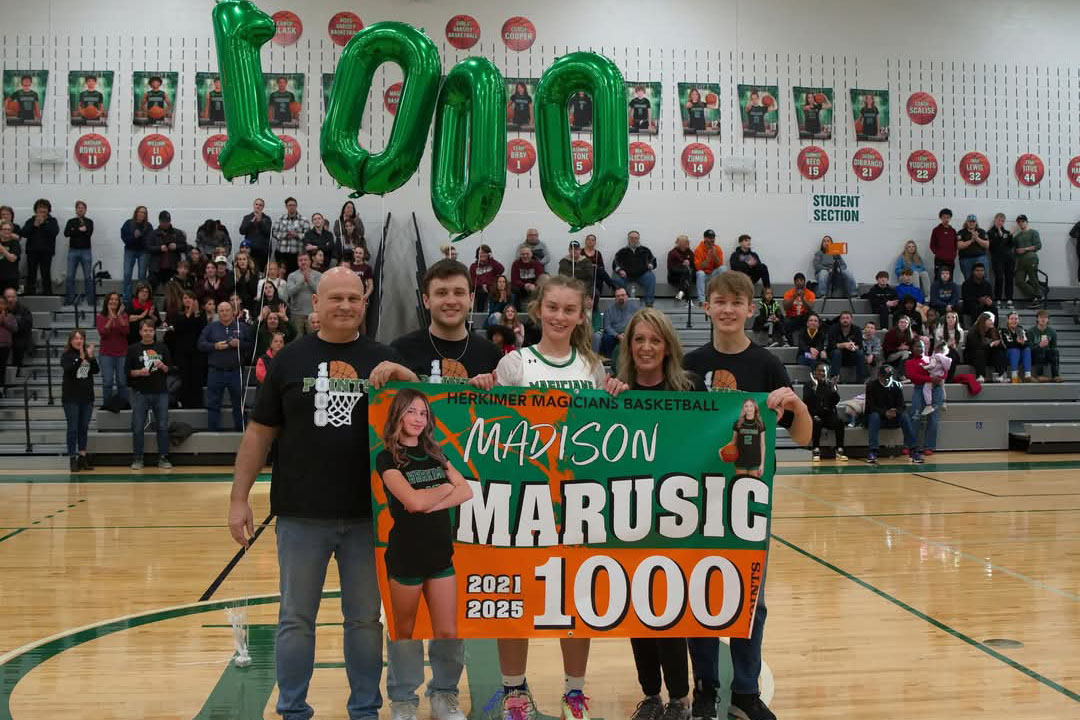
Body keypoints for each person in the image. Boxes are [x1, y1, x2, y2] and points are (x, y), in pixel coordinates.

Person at [229, 266, 417, 720]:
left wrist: (403, 372)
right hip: (300, 515)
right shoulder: (289, 360)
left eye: (354, 298)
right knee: (295, 618)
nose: (346, 306)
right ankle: (293, 709)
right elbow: (258, 434)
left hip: (367, 517)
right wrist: (239, 499)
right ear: (316, 303)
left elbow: (424, 411)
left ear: (364, 303)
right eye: (336, 298)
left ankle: (365, 709)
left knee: (365, 621)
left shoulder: (383, 358)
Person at [489, 274, 628, 720]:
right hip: (524, 499)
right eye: (553, 307)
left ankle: (574, 692)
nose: (560, 316)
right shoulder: (515, 365)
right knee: (516, 600)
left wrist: (615, 395)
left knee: (574, 598)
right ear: (537, 310)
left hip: (578, 501)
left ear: (582, 314)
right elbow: (496, 431)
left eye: (570, 309)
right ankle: (514, 691)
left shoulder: (592, 368)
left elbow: (605, 432)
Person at [682, 270, 810, 720]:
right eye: (720, 301)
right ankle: (704, 688)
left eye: (737, 302)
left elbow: (805, 435)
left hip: (750, 499)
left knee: (750, 596)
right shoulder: (690, 365)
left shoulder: (768, 365)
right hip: (695, 498)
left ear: (751, 309)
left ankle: (744, 691)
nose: (728, 309)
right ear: (707, 307)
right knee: (699, 593)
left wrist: (796, 405)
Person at [614, 307, 695, 720]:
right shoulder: (613, 391)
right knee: (635, 610)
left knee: (668, 609)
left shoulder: (689, 393)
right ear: (629, 346)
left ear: (667, 347)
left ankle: (680, 696)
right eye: (639, 340)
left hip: (675, 519)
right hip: (625, 516)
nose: (646, 347)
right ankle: (650, 694)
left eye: (654, 340)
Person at [377, 390, 471, 633]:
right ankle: (403, 672)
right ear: (398, 414)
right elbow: (414, 503)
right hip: (407, 556)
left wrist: (429, 502)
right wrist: (445, 487)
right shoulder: (387, 458)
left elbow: (467, 492)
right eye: (411, 412)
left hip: (440, 555)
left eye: (423, 413)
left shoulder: (436, 454)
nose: (418, 419)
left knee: (448, 633)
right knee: (405, 631)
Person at [198, 301, 253, 431]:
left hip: (236, 372)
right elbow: (200, 344)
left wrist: (240, 344)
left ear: (233, 312)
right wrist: (214, 346)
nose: (224, 313)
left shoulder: (242, 327)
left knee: (239, 404)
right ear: (218, 313)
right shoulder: (211, 327)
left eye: (227, 310)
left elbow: (251, 345)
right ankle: (213, 434)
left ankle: (241, 432)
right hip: (215, 372)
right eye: (221, 310)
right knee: (213, 405)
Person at [126, 318, 172, 469]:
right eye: (145, 330)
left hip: (161, 392)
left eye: (150, 330)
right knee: (138, 426)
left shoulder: (162, 347)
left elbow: (170, 370)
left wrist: (163, 366)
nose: (147, 333)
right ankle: (138, 458)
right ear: (140, 332)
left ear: (154, 332)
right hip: (140, 393)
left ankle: (163, 457)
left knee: (163, 426)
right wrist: (139, 372)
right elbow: (127, 373)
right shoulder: (132, 349)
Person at [863, 364, 920, 464]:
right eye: (884, 376)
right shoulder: (871, 386)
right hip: (878, 417)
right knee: (874, 416)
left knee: (904, 416)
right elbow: (870, 407)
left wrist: (896, 411)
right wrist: (885, 413)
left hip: (893, 416)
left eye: (889, 376)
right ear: (879, 375)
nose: (887, 379)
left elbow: (902, 406)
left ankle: (914, 450)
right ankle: (872, 451)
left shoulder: (896, 386)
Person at [60, 329, 98, 471]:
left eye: (81, 338)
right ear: (71, 341)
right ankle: (72, 458)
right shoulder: (67, 356)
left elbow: (95, 370)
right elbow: (69, 370)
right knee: (73, 428)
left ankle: (83, 456)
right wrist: (81, 359)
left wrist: (91, 357)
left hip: (87, 398)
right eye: (76, 338)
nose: (79, 341)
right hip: (71, 398)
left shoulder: (87, 355)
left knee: (83, 428)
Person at [168, 290, 207, 409]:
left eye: (190, 297)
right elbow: (180, 328)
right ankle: (184, 402)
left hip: (196, 352)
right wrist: (189, 313)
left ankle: (196, 403)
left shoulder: (201, 315)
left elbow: (200, 329)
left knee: (196, 378)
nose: (187, 300)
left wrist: (193, 314)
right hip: (182, 352)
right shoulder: (177, 314)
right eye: (185, 298)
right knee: (184, 378)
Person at [905, 339, 943, 455]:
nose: (920, 349)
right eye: (917, 347)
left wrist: (938, 378)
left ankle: (929, 446)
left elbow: (942, 372)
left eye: (922, 347)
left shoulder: (931, 359)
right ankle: (910, 444)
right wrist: (931, 379)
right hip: (919, 389)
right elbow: (913, 377)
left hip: (935, 390)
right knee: (915, 416)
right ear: (912, 349)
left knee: (933, 418)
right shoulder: (909, 363)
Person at [804, 363, 846, 461]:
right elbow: (807, 401)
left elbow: (836, 401)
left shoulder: (830, 384)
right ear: (815, 372)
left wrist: (833, 389)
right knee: (817, 421)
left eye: (824, 371)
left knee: (840, 422)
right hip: (814, 414)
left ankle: (840, 449)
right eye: (820, 371)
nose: (822, 373)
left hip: (828, 415)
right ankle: (816, 449)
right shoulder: (808, 385)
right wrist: (814, 388)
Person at [96, 292, 130, 406]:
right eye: (111, 299)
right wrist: (111, 319)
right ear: (107, 302)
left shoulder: (124, 316)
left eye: (116, 299)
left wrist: (118, 316)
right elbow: (103, 333)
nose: (114, 301)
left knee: (122, 382)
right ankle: (107, 406)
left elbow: (126, 331)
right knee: (108, 382)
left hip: (122, 354)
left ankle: (124, 405)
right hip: (106, 354)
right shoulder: (101, 317)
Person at [21, 198, 59, 296]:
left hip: (46, 252)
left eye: (44, 208)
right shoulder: (31, 220)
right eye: (40, 208)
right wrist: (34, 225)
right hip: (32, 251)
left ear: (48, 210)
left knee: (45, 273)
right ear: (36, 210)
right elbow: (24, 233)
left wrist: (43, 224)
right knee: (31, 273)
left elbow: (54, 232)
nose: (42, 210)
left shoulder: (52, 220)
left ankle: (47, 294)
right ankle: (30, 293)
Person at [612, 230, 658, 307]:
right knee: (616, 278)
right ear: (628, 239)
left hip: (642, 274)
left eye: (636, 238)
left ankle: (649, 303)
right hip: (626, 275)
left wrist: (651, 265)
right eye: (631, 238)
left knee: (651, 277)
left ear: (638, 239)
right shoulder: (622, 251)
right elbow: (615, 263)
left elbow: (653, 260)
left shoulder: (645, 250)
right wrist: (620, 270)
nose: (634, 240)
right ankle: (625, 300)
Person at [63, 200, 94, 305]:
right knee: (70, 276)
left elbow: (88, 233)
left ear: (85, 210)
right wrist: (80, 230)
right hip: (73, 251)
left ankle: (90, 300)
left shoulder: (89, 222)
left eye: (82, 208)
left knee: (88, 277)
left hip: (86, 251)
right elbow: (66, 233)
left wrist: (74, 231)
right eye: (78, 208)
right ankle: (69, 300)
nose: (80, 209)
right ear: (76, 210)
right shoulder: (71, 221)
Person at [147, 210, 188, 287]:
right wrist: (159, 248)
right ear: (159, 221)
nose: (165, 223)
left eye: (167, 221)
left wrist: (176, 247)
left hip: (172, 268)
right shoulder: (153, 233)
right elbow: (148, 248)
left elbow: (185, 246)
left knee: (172, 290)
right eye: (163, 221)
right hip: (156, 269)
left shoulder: (178, 233)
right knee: (151, 288)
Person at [121, 206, 152, 302]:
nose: (142, 214)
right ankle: (126, 299)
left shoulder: (148, 226)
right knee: (127, 274)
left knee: (142, 275)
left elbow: (149, 240)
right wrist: (134, 237)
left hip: (143, 251)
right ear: (136, 213)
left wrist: (140, 237)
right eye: (140, 212)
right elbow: (124, 238)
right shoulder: (128, 223)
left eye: (144, 213)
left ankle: (141, 298)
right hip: (130, 250)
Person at [273, 197, 311, 275]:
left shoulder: (304, 220)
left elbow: (308, 235)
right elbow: (274, 232)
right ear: (286, 207)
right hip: (281, 253)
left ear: (296, 206)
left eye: (293, 205)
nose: (291, 207)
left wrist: (297, 235)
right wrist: (284, 235)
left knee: (296, 275)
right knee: (282, 275)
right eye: (289, 205)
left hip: (297, 254)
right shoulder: (280, 219)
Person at [965, 312, 1006, 383]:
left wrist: (998, 344)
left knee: (999, 352)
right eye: (989, 320)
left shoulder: (993, 330)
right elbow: (975, 346)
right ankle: (980, 376)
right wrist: (990, 344)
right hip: (973, 355)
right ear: (983, 321)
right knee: (980, 352)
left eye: (992, 320)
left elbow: (1002, 346)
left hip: (988, 355)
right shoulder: (973, 331)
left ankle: (1000, 375)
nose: (992, 322)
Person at [286, 253, 322, 336]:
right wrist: (301, 281)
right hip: (297, 314)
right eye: (300, 260)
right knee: (297, 340)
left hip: (313, 313)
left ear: (310, 261)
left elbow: (320, 292)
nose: (303, 262)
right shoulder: (292, 276)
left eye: (305, 260)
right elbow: (290, 292)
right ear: (297, 262)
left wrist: (309, 280)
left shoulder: (318, 275)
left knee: (313, 339)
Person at [827, 310, 867, 382]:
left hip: (850, 355)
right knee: (837, 352)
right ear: (840, 320)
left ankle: (860, 380)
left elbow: (860, 346)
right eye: (843, 318)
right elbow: (831, 345)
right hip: (836, 356)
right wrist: (844, 345)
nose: (845, 320)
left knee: (860, 353)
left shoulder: (856, 329)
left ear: (851, 319)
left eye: (847, 318)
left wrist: (853, 347)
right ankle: (834, 378)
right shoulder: (833, 328)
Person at [1011, 215, 1043, 306]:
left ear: (1026, 222)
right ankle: (1038, 296)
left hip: (1031, 258)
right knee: (1019, 280)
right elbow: (1012, 246)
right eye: (1019, 222)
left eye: (1023, 221)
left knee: (1033, 279)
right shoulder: (1017, 236)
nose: (1021, 223)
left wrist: (1025, 249)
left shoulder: (1033, 232)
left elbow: (1038, 245)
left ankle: (1036, 299)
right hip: (1020, 261)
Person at [601, 287, 639, 358]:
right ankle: (609, 359)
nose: (621, 297)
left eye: (622, 295)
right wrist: (617, 335)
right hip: (614, 335)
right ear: (615, 298)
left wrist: (627, 333)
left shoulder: (634, 308)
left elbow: (637, 323)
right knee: (606, 338)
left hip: (628, 333)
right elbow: (607, 326)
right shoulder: (609, 310)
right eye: (618, 296)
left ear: (627, 296)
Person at [987, 212, 1014, 308]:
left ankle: (1009, 299)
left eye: (1002, 221)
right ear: (995, 220)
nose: (1000, 222)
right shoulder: (990, 232)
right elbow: (991, 246)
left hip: (1008, 259)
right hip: (997, 259)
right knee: (999, 278)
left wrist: (1010, 236)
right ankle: (998, 299)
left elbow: (1010, 245)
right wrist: (1000, 235)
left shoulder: (1006, 232)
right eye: (999, 220)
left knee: (1009, 279)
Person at [917, 341, 952, 415]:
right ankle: (944, 402)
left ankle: (929, 405)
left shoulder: (935, 356)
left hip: (933, 377)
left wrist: (924, 367)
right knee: (943, 388)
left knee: (926, 389)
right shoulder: (946, 358)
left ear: (935, 349)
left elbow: (932, 366)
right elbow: (945, 369)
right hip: (941, 377)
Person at [239, 198, 273, 272]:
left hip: (263, 251)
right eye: (256, 204)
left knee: (261, 271)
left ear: (263, 207)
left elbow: (269, 233)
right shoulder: (247, 217)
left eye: (260, 205)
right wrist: (251, 222)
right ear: (253, 205)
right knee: (250, 270)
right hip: (250, 251)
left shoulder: (267, 219)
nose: (258, 206)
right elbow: (242, 231)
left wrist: (260, 221)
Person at [1000, 311, 1034, 383]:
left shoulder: (1021, 329)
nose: (1014, 321)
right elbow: (1006, 344)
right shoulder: (1003, 330)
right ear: (1008, 320)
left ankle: (1027, 375)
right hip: (1007, 354)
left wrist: (1022, 343)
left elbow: (1027, 343)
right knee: (1015, 350)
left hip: (1019, 354)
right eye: (1012, 319)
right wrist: (1019, 343)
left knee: (1027, 349)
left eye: (1016, 319)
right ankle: (1014, 376)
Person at [782, 273, 816, 344]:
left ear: (804, 281)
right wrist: (793, 297)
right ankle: (789, 343)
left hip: (804, 317)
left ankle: (812, 341)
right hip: (792, 317)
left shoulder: (810, 293)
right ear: (794, 282)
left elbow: (810, 308)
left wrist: (803, 298)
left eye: (801, 280)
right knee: (785, 321)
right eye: (797, 281)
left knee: (813, 316)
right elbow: (785, 307)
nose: (799, 282)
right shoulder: (788, 293)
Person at [1030, 310, 1063, 383]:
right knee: (1040, 349)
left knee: (1055, 351)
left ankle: (1055, 375)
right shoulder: (1031, 331)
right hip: (1034, 355)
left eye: (1045, 317)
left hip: (1047, 354)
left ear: (1048, 320)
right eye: (1041, 317)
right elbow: (1030, 348)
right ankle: (1040, 375)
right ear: (1037, 319)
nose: (1043, 319)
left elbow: (1053, 347)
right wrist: (1039, 345)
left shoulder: (1052, 331)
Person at [3, 287, 32, 370]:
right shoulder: (2, 309)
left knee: (19, 345)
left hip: (19, 336)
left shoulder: (24, 309)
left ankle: (17, 369)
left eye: (12, 297)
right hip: (4, 337)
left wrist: (11, 323)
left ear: (16, 297)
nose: (10, 300)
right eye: (8, 297)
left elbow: (27, 325)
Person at [470, 244, 504, 312]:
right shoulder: (473, 266)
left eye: (484, 253)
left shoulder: (493, 264)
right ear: (477, 255)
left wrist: (492, 259)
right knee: (480, 292)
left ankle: (495, 312)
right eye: (480, 253)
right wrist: (482, 285)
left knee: (494, 290)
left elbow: (501, 270)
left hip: (491, 287)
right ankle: (480, 314)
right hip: (479, 288)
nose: (482, 255)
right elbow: (473, 280)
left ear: (489, 254)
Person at [693, 230, 724, 305]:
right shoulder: (698, 249)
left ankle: (721, 297)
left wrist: (715, 255)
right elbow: (698, 268)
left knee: (723, 269)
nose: (712, 240)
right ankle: (702, 301)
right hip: (704, 274)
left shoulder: (717, 248)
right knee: (700, 273)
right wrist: (708, 258)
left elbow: (720, 265)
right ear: (705, 238)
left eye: (713, 237)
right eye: (710, 238)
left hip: (713, 274)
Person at [510, 245, 545, 310]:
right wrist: (525, 285)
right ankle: (516, 311)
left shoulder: (537, 264)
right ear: (520, 255)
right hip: (521, 287)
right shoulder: (516, 264)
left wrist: (534, 286)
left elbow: (540, 278)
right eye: (523, 254)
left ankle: (536, 310)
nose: (525, 256)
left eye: (527, 254)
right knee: (513, 289)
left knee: (541, 288)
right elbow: (514, 280)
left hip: (534, 287)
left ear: (531, 254)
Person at [933, 311, 964, 382]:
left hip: (955, 353)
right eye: (948, 317)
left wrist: (953, 346)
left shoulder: (960, 331)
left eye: (953, 317)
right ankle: (949, 378)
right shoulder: (940, 330)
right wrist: (947, 345)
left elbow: (959, 347)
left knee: (953, 353)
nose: (950, 319)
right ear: (945, 320)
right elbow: (937, 347)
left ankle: (948, 378)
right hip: (941, 353)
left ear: (956, 319)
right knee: (951, 353)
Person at [957, 214, 989, 281]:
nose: (971, 223)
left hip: (981, 258)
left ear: (976, 222)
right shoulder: (961, 232)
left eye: (973, 222)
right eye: (969, 222)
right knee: (968, 279)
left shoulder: (982, 231)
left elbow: (987, 245)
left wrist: (977, 238)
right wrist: (971, 240)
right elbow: (959, 246)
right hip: (966, 259)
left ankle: (984, 292)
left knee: (984, 279)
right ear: (966, 222)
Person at [930, 208, 957, 280]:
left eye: (948, 217)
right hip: (939, 260)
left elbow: (955, 245)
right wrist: (938, 253)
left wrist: (953, 254)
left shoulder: (953, 231)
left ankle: (949, 291)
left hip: (950, 260)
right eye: (944, 217)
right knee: (938, 278)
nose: (946, 219)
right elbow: (932, 245)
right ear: (940, 218)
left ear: (950, 218)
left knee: (950, 278)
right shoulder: (936, 230)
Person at [667, 234, 695, 302]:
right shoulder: (672, 253)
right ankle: (688, 300)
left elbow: (693, 265)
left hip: (687, 275)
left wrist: (689, 264)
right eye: (684, 243)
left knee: (687, 274)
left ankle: (681, 293)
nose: (686, 244)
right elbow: (671, 268)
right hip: (674, 276)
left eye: (686, 242)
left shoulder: (690, 252)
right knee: (686, 272)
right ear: (678, 244)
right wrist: (682, 265)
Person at [0, 297, 16, 396]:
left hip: (5, 346)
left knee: (2, 367)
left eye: (1, 303)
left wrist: (4, 320)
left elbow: (15, 328)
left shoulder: (10, 316)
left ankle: (1, 388)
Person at [0, 220, 21, 293]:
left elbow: (13, 258)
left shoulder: (14, 243)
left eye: (9, 229)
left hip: (10, 278)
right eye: (4, 229)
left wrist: (2, 249)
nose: (6, 231)